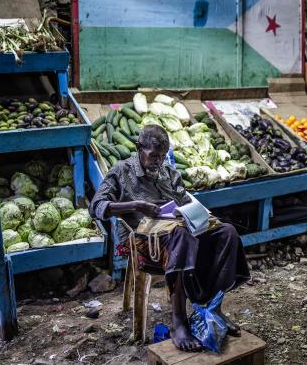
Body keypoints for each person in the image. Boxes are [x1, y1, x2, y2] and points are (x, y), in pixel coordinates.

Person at [89, 125, 250, 351]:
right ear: (139, 148)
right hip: (142, 238)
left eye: (162, 156)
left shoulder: (168, 172)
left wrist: (198, 215)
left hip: (176, 230)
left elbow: (185, 201)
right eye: (153, 155)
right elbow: (96, 207)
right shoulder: (121, 171)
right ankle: (178, 321)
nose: (158, 161)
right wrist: (136, 205)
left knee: (227, 233)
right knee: (181, 236)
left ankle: (214, 309)